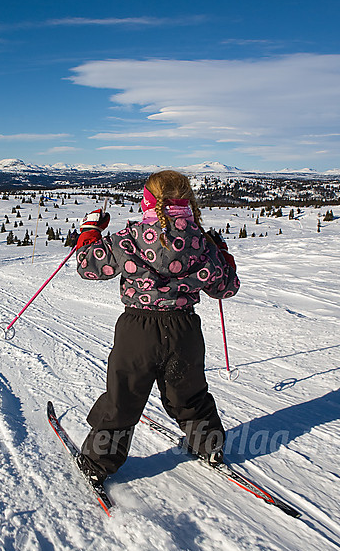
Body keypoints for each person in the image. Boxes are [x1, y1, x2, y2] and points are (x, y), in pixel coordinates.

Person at [73, 169, 240, 485]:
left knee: (123, 397)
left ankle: (98, 462)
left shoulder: (130, 239)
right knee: (189, 394)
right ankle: (209, 446)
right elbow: (226, 288)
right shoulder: (202, 244)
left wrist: (89, 232)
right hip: (185, 332)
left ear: (147, 201)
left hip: (138, 331)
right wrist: (224, 256)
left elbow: (88, 266)